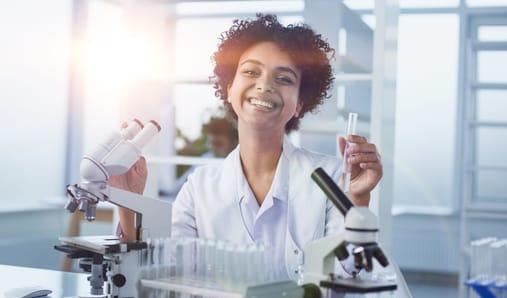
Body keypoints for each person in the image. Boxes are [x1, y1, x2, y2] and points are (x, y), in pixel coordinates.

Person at [110, 13, 382, 280]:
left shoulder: (332, 177)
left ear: (300, 103)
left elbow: (345, 274)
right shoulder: (200, 187)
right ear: (229, 88)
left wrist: (357, 200)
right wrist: (127, 201)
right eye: (251, 71)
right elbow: (165, 274)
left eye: (284, 78)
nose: (264, 85)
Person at [171, 115, 239, 198]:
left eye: (218, 144)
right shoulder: (205, 160)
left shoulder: (238, 164)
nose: (214, 148)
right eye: (212, 143)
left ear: (234, 142)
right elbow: (180, 185)